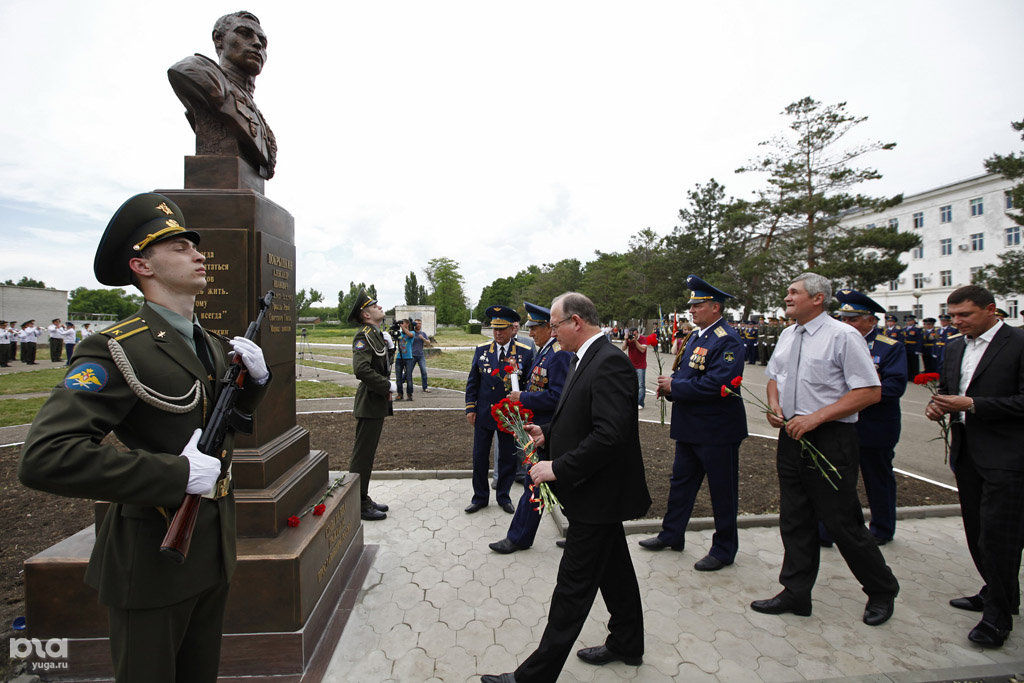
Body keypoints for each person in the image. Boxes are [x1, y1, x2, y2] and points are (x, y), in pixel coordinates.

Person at [19, 193, 270, 682]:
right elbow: (45, 457)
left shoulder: (210, 344)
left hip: (212, 547)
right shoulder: (115, 348)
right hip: (152, 558)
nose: (198, 254)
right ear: (141, 265)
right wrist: (175, 474)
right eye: (178, 247)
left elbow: (222, 425)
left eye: (194, 246)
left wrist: (254, 387)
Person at [482, 293, 650, 683]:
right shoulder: (583, 357)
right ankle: (627, 642)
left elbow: (610, 435)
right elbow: (579, 414)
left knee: (572, 590)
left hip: (598, 494)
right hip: (593, 493)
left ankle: (532, 677)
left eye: (555, 326)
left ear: (576, 321)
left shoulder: (610, 362)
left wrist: (556, 467)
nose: (552, 334)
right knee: (616, 573)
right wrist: (549, 433)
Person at [751, 272, 899, 626]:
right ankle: (796, 593)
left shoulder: (843, 336)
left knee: (841, 522)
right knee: (794, 518)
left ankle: (881, 589)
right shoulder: (788, 335)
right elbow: (775, 378)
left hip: (831, 438)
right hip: (792, 436)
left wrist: (816, 418)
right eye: (787, 291)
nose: (786, 297)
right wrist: (775, 407)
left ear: (818, 299)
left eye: (793, 292)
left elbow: (868, 391)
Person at [927, 285, 1024, 649]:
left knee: (1000, 537)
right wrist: (939, 407)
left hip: (1007, 457)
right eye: (952, 316)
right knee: (977, 531)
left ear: (991, 310)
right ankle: (996, 591)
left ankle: (997, 617)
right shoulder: (953, 347)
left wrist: (972, 404)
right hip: (967, 455)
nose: (956, 322)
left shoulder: (1017, 343)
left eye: (964, 315)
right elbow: (949, 393)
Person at [640, 276, 747, 571]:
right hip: (690, 425)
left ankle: (724, 549)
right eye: (691, 306)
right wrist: (671, 388)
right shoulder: (696, 337)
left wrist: (676, 386)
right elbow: (688, 377)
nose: (692, 311)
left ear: (715, 307)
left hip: (717, 430)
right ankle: (672, 534)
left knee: (722, 491)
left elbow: (718, 383)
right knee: (681, 484)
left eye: (698, 305)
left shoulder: (728, 339)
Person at [487, 302, 572, 554]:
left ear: (549, 327)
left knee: (534, 483)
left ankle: (519, 538)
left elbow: (558, 396)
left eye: (535, 327)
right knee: (559, 484)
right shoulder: (545, 350)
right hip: (541, 429)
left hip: (549, 430)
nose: (530, 332)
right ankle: (582, 532)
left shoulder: (558, 353)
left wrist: (522, 398)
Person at [831, 289, 907, 545]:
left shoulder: (889, 348)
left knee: (877, 479)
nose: (847, 324)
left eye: (853, 319)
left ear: (871, 321)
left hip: (874, 425)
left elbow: (895, 386)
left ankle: (882, 530)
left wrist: (858, 395)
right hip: (840, 423)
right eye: (843, 319)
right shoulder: (836, 341)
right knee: (837, 480)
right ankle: (833, 529)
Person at [168, 11, 276, 179]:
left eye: (262, 41)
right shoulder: (198, 71)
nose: (257, 44)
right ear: (219, 39)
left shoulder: (260, 120)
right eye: (245, 34)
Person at [465, 306, 533, 514]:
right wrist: (470, 408)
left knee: (507, 458)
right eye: (495, 329)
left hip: (509, 416)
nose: (497, 333)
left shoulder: (524, 352)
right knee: (480, 456)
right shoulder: (482, 350)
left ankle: (503, 497)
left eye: (502, 329)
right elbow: (472, 382)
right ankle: (480, 497)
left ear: (513, 329)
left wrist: (524, 411)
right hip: (484, 413)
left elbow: (529, 385)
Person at [347, 289, 395, 522]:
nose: (379, 307)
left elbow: (382, 365)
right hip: (369, 401)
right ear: (366, 315)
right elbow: (361, 370)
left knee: (368, 453)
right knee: (362, 455)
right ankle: (357, 501)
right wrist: (387, 386)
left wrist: (391, 348)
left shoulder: (376, 334)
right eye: (375, 306)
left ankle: (363, 496)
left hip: (375, 403)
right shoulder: (363, 336)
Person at [622, 328, 648, 409]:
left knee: (641, 385)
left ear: (638, 333)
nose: (633, 335)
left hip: (641, 365)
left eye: (635, 334)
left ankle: (640, 402)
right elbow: (623, 348)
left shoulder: (643, 338)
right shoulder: (629, 339)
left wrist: (635, 341)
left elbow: (642, 350)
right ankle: (631, 401)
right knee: (630, 384)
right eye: (632, 334)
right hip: (631, 365)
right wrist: (626, 340)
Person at [394, 318, 415, 400]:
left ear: (407, 324)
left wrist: (403, 327)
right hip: (399, 358)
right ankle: (400, 394)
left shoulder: (412, 332)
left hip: (408, 358)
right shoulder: (399, 334)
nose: (401, 325)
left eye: (403, 323)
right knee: (398, 378)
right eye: (401, 324)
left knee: (408, 377)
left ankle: (409, 394)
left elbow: (410, 335)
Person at [411, 318, 431, 392]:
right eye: (416, 323)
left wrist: (423, 339)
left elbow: (428, 343)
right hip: (412, 355)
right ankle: (400, 384)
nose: (418, 325)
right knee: (408, 372)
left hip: (420, 355)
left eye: (420, 323)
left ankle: (425, 387)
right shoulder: (411, 333)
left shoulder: (423, 333)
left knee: (424, 371)